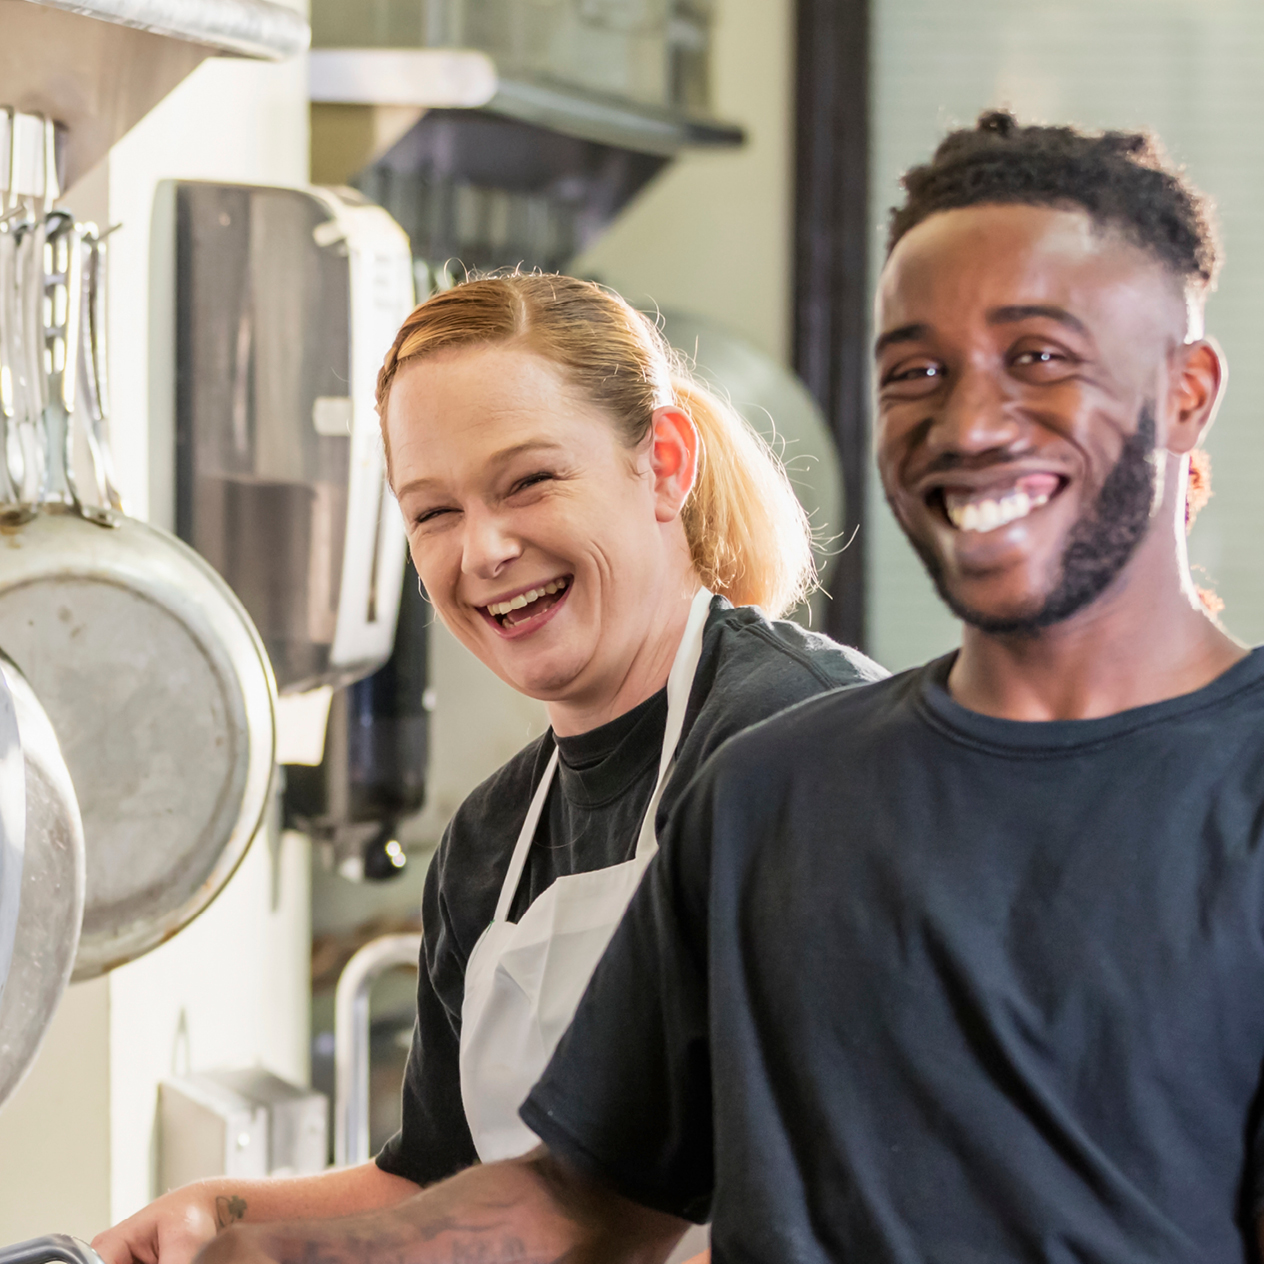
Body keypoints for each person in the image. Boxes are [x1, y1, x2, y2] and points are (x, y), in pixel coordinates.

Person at [186, 111, 1264, 1263]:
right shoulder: (781, 793)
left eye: (1039, 355)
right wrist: (250, 1245)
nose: (970, 422)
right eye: (916, 369)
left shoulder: (1225, 800)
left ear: (1186, 391)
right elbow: (577, 1201)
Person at [92, 274, 883, 1264]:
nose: (486, 549)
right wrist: (217, 1212)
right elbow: (437, 1181)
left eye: (529, 480)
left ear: (664, 465)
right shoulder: (492, 838)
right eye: (433, 512)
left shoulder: (803, 746)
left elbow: (869, 1187)